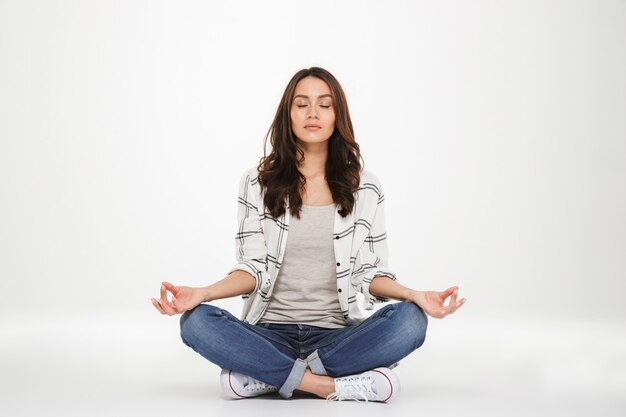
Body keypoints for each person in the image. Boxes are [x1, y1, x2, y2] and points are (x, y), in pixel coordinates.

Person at [151, 67, 466, 402]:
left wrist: (413, 294)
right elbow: (254, 266)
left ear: (337, 115)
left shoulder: (366, 188)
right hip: (269, 332)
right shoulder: (257, 183)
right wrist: (203, 292)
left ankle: (268, 375)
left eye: (324, 105)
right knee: (195, 322)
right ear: (288, 115)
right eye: (302, 104)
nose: (313, 113)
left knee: (410, 321)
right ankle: (326, 384)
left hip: (337, 337)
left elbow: (368, 272)